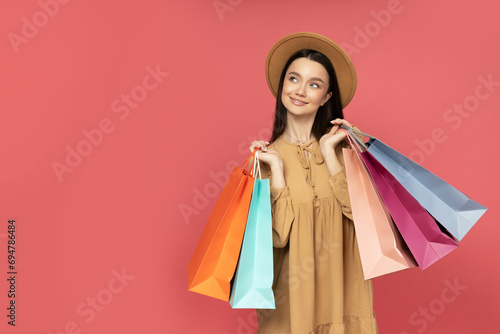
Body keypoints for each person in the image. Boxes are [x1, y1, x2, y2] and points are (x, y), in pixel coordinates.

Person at [249, 32, 378, 333]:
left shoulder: (345, 150)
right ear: (282, 85)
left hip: (345, 306)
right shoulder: (264, 160)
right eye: (294, 79)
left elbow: (365, 222)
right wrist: (277, 173)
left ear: (327, 98)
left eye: (314, 84)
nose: (301, 91)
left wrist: (330, 156)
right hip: (292, 311)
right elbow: (276, 239)